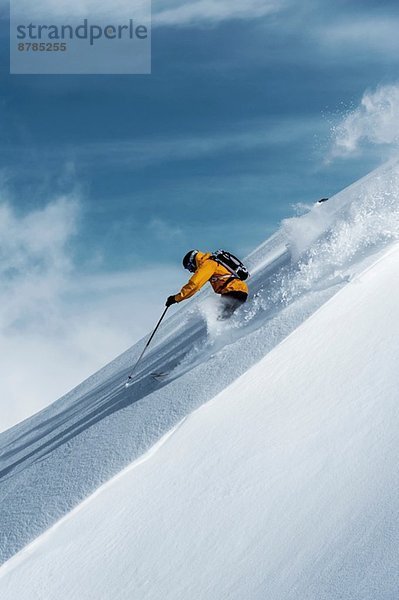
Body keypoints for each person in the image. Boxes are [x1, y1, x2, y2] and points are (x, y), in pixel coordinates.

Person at [166, 250, 248, 319]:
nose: (191, 271)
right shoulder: (212, 262)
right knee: (226, 317)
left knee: (220, 318)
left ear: (193, 261)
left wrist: (176, 298)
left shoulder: (208, 264)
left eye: (190, 267)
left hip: (232, 292)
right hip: (240, 291)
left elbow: (195, 284)